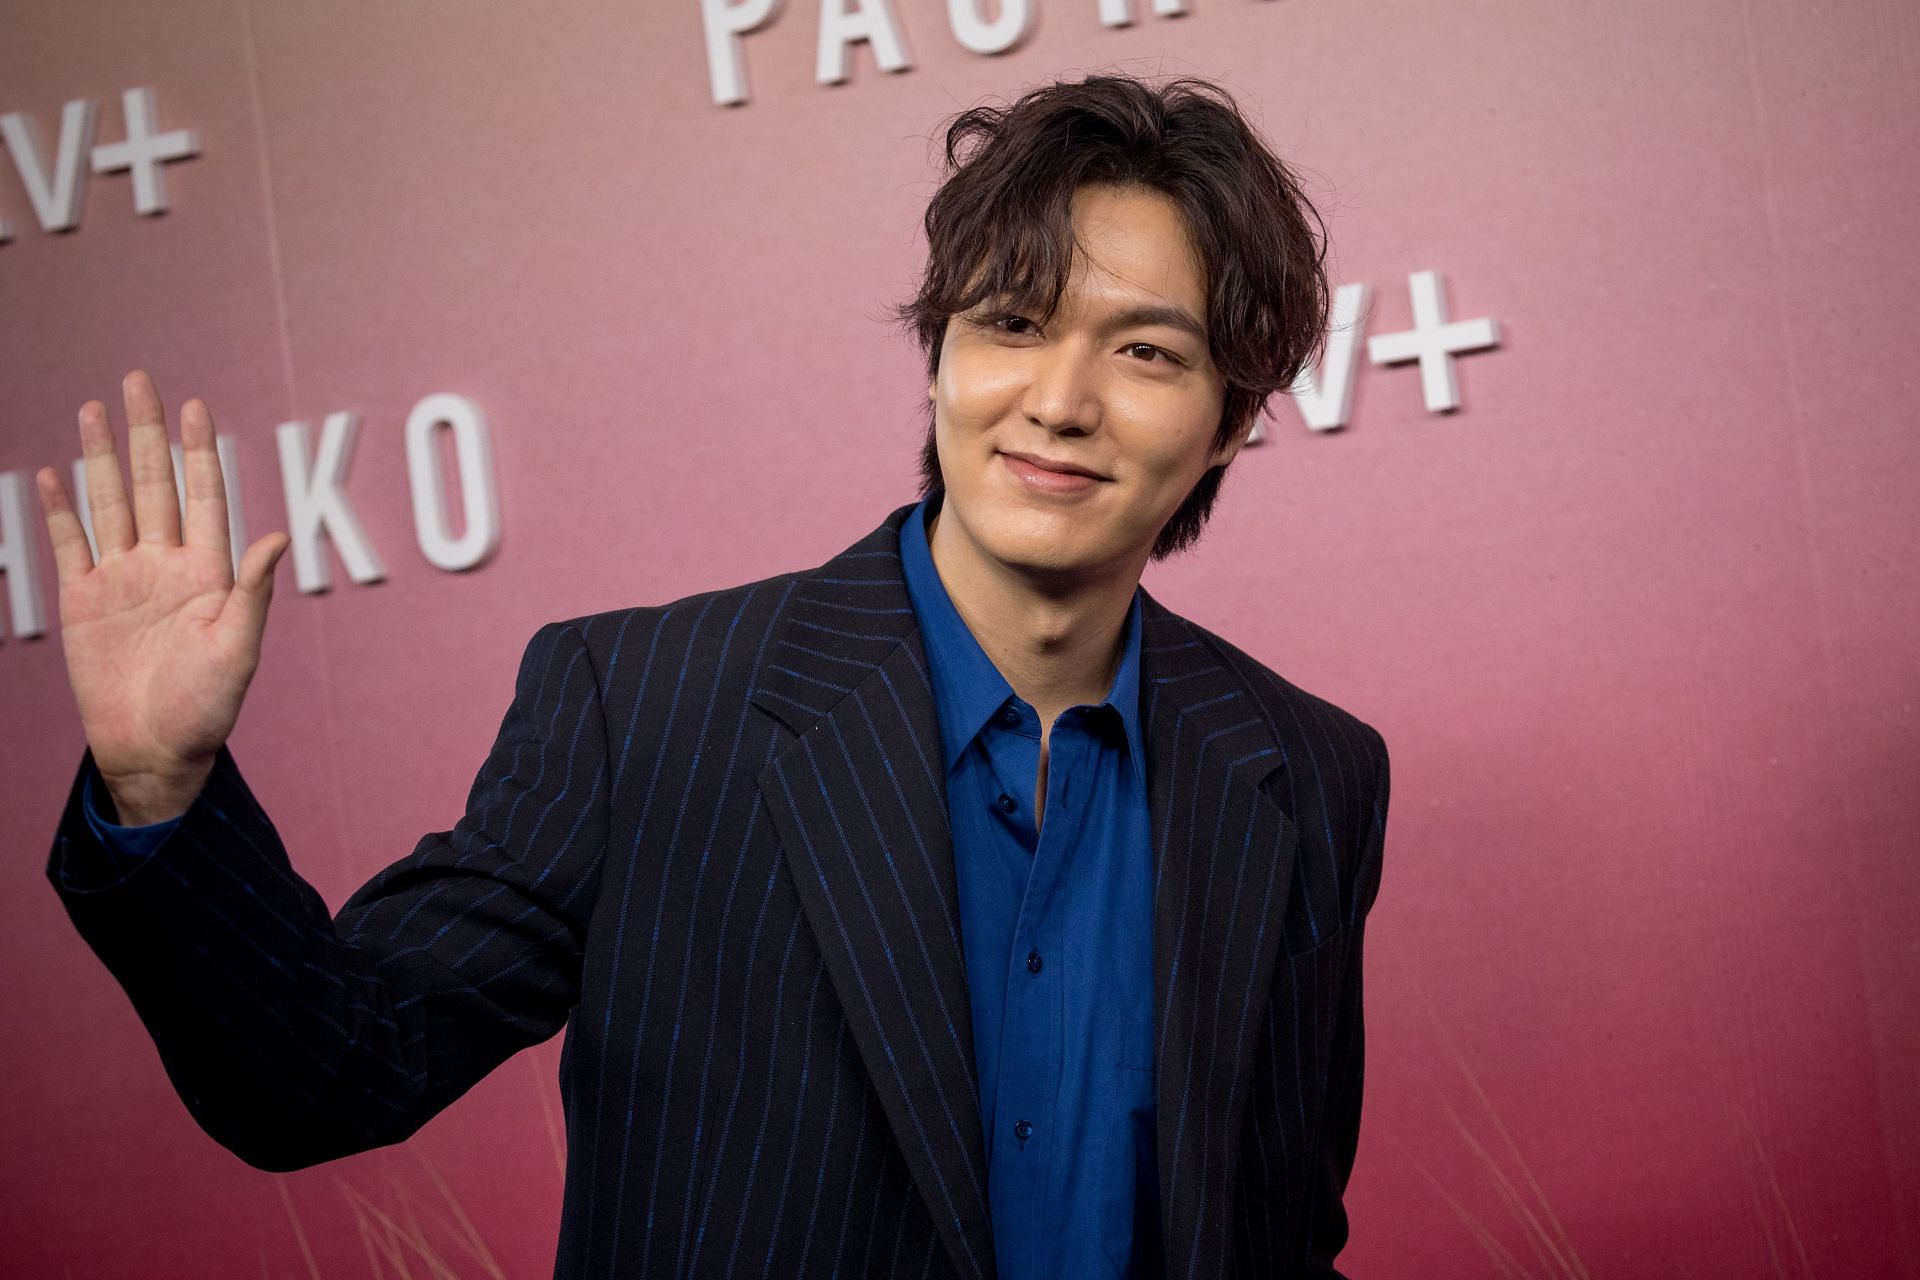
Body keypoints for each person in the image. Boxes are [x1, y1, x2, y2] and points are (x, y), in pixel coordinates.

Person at [38, 74, 1388, 1279]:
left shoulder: (1307, 771)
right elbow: (327, 1074)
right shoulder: (645, 706)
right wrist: (159, 785)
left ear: (1235, 420)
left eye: (1145, 350)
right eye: (1014, 324)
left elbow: (1277, 1229)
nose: (1060, 398)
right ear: (939, 357)